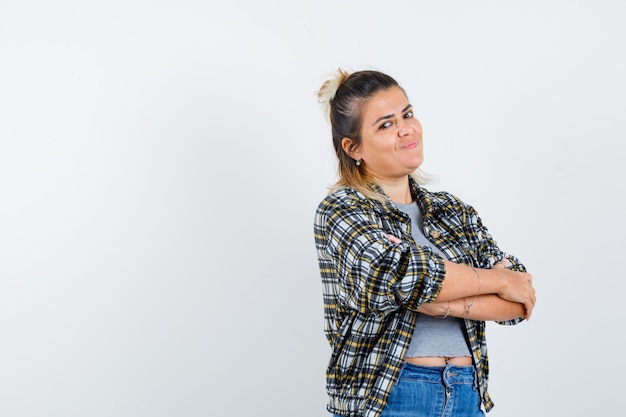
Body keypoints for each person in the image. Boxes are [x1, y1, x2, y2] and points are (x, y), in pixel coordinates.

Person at [313, 69, 536, 417]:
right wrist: (496, 280)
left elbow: (520, 301)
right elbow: (407, 276)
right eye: (385, 124)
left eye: (408, 114)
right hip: (391, 395)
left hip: (467, 392)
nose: (406, 129)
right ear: (353, 147)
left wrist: (441, 303)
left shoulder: (452, 210)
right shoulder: (343, 211)